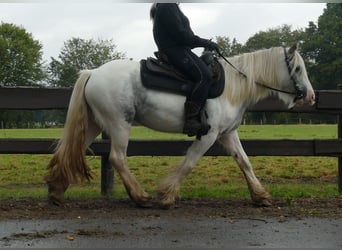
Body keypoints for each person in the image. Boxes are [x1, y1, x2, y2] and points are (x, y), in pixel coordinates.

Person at [150, 3, 219, 138]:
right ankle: (191, 120)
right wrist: (206, 43)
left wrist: (201, 43)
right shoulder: (168, 5)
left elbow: (185, 36)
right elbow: (183, 36)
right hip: (175, 50)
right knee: (204, 76)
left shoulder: (166, 6)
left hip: (177, 49)